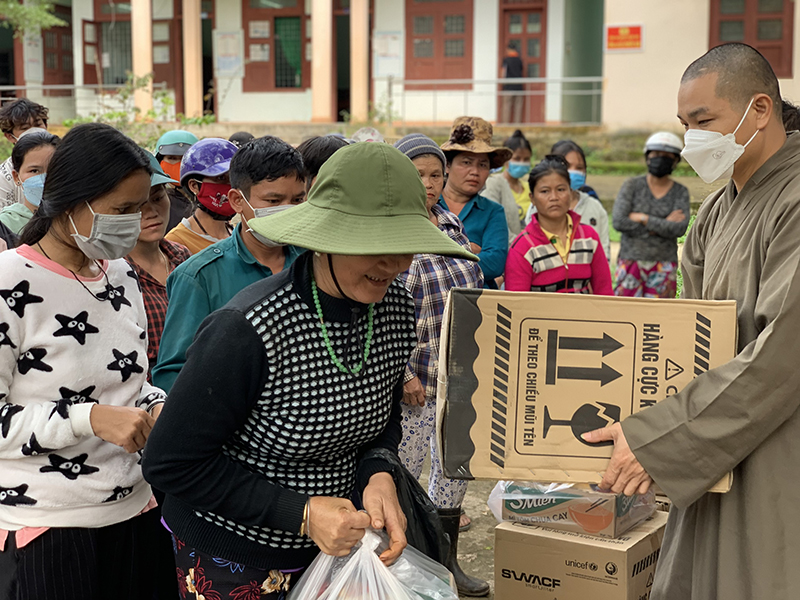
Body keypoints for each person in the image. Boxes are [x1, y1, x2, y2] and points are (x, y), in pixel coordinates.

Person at [142, 142, 477, 597]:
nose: (395, 265)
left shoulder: (395, 305)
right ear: (327, 239)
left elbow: (381, 420)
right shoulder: (249, 326)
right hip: (237, 557)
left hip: (338, 549)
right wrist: (299, 512)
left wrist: (377, 471)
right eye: (377, 248)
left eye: (406, 248)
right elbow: (170, 461)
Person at [582, 42, 800, 600]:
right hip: (706, 444)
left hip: (776, 445)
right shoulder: (716, 210)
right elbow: (690, 338)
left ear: (759, 110)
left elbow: (784, 353)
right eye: (685, 124)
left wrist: (660, 439)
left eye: (705, 121)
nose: (691, 140)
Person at [0, 123, 169, 599]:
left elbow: (133, 384)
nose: (135, 222)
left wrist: (155, 406)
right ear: (70, 201)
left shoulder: (119, 273)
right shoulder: (10, 283)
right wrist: (87, 418)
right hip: (49, 530)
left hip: (136, 514)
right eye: (121, 210)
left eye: (141, 208)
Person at [393, 133, 488, 597]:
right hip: (417, 381)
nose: (429, 184)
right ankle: (409, 575)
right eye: (418, 175)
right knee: (407, 477)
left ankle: (445, 565)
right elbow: (384, 312)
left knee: (455, 470)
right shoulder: (389, 228)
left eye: (435, 175)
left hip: (462, 375)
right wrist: (404, 373)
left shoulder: (450, 225)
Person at [152, 136, 306, 393]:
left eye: (297, 201)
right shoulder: (199, 276)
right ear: (237, 200)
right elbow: (173, 373)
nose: (287, 211)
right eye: (273, 202)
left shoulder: (312, 261)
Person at [125, 151, 191, 377]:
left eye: (157, 197)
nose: (151, 212)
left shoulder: (182, 257)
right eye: (138, 204)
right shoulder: (111, 273)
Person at [505, 155, 612, 294]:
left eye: (561, 189)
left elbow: (604, 291)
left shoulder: (589, 238)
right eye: (545, 191)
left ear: (570, 192)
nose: (554, 197)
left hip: (585, 315)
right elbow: (516, 305)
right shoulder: (522, 248)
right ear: (532, 199)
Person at [612, 132, 690, 298]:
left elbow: (679, 228)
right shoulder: (632, 186)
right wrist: (662, 224)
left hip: (664, 264)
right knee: (625, 315)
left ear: (676, 160)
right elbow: (619, 221)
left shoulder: (680, 192)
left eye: (667, 156)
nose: (661, 159)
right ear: (647, 156)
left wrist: (643, 218)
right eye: (656, 154)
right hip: (630, 261)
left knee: (658, 317)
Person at [439, 116, 511, 288]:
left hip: (477, 304)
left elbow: (494, 264)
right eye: (466, 162)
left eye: (483, 165)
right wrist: (469, 251)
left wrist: (438, 258)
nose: (475, 171)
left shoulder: (493, 212)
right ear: (447, 165)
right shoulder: (429, 204)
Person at [529, 139, 611, 262]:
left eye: (579, 167)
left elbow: (603, 252)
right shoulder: (538, 208)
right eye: (568, 166)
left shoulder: (595, 207)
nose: (574, 172)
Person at [164, 137, 237, 255]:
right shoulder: (177, 242)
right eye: (221, 178)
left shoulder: (237, 234)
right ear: (194, 186)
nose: (229, 187)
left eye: (233, 179)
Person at [0, 130, 59, 234]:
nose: (45, 178)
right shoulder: (5, 226)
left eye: (53, 169)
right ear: (16, 177)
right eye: (34, 171)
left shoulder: (77, 219)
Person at [482, 129, 532, 240]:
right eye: (517, 158)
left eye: (526, 159)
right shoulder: (494, 184)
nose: (522, 163)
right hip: (508, 246)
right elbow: (492, 222)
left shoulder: (530, 187)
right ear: (506, 160)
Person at [0, 99, 49, 209]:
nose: (34, 131)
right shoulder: (4, 178)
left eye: (38, 124)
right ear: (10, 137)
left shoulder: (63, 161)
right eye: (25, 128)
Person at [154, 129, 199, 232]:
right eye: (172, 158)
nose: (179, 164)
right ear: (159, 161)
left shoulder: (206, 198)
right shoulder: (156, 199)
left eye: (184, 158)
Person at [500, 44, 524, 124]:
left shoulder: (506, 60)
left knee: (507, 106)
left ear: (508, 50)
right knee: (518, 107)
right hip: (519, 86)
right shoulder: (519, 60)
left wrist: (503, 83)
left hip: (509, 86)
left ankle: (505, 124)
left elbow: (503, 72)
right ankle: (517, 124)